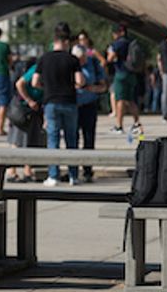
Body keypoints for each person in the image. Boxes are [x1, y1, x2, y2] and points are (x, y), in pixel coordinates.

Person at [33, 22, 85, 186]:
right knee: (71, 139)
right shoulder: (72, 59)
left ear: (54, 41)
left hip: (51, 102)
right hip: (69, 101)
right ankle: (73, 176)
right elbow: (80, 81)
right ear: (66, 42)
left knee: (53, 139)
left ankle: (53, 175)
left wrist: (47, 87)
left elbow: (35, 82)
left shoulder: (44, 59)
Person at [73, 44, 107, 183]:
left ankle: (87, 170)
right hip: (73, 106)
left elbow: (104, 86)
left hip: (89, 105)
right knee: (73, 139)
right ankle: (73, 170)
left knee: (88, 139)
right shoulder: (70, 64)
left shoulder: (92, 63)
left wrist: (93, 88)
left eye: (82, 59)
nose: (80, 62)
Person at [7, 57, 43, 183]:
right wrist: (29, 100)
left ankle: (27, 170)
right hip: (22, 109)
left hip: (32, 110)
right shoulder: (36, 69)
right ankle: (12, 170)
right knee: (17, 141)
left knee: (31, 140)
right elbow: (19, 84)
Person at [106, 24, 142, 136]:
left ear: (120, 32)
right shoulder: (131, 42)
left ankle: (119, 126)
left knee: (120, 100)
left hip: (121, 73)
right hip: (131, 74)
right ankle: (137, 123)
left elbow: (110, 58)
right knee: (130, 100)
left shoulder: (118, 44)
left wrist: (109, 52)